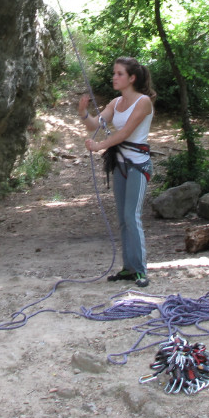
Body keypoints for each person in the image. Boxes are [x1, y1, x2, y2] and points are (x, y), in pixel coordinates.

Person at [79, 58, 156, 288]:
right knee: (123, 219)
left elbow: (124, 134)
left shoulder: (143, 103)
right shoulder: (115, 102)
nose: (114, 77)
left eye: (119, 74)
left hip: (138, 166)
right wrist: (83, 112)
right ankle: (128, 268)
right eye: (114, 73)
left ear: (132, 78)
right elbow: (95, 124)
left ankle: (141, 271)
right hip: (121, 165)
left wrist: (99, 146)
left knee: (132, 216)